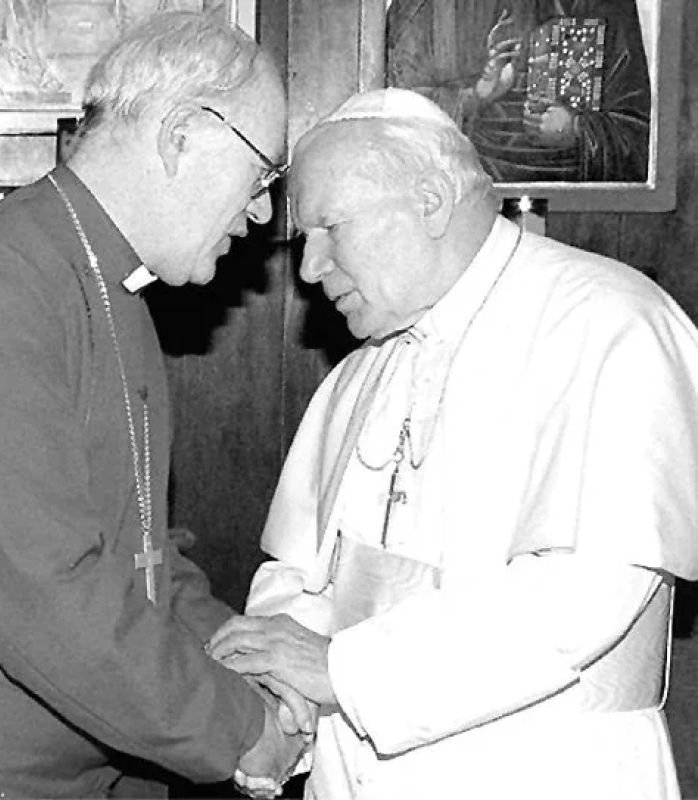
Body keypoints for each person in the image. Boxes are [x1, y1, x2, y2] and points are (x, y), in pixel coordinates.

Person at [207, 87, 698, 799]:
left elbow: (586, 596)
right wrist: (285, 708)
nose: (308, 269)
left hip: (542, 773)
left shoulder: (610, 324)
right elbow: (303, 574)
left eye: (329, 229)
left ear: (431, 200)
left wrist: (341, 672)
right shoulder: (363, 369)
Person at [0, 10, 310, 798]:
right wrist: (238, 729)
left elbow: (140, 551)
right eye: (262, 177)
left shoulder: (104, 279)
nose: (261, 214)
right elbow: (45, 588)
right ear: (183, 133)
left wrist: (239, 650)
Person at [386, 0, 651, 182]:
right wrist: (475, 96)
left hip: (575, 207)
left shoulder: (602, 5)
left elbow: (639, 135)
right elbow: (393, 119)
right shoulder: (425, 7)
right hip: (463, 194)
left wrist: (576, 130)